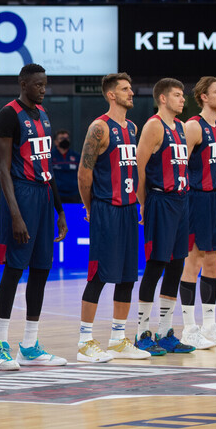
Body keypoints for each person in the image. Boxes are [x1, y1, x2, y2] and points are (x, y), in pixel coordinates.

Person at [0, 64, 69, 370]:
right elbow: (2, 168)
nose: (43, 89)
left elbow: (45, 164)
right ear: (24, 84)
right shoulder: (8, 115)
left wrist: (60, 210)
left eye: (45, 85)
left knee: (41, 270)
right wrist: (16, 215)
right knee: (14, 269)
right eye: (38, 85)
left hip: (44, 196)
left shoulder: (44, 115)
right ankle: (0, 344)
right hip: (21, 195)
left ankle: (30, 344)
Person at [75, 73, 138, 363]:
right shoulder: (99, 128)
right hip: (106, 209)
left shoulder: (134, 128)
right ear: (111, 95)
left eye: (130, 88)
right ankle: (85, 341)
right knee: (100, 274)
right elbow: (84, 174)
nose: (131, 93)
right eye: (125, 89)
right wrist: (91, 207)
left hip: (129, 210)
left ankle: (117, 338)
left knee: (127, 276)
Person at [131, 78, 192, 358]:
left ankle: (165, 332)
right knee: (156, 265)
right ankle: (142, 332)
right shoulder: (154, 125)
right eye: (178, 95)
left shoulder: (180, 126)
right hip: (160, 200)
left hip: (181, 202)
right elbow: (138, 168)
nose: (183, 99)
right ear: (163, 99)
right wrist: (144, 204)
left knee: (177, 266)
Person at [178, 76, 216, 350]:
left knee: (213, 261)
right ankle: (189, 328)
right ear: (203, 96)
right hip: (197, 198)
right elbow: (181, 165)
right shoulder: (193, 126)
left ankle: (210, 326)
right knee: (194, 260)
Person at [50, 128, 81, 204]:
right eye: (62, 138)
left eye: (67, 138)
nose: (65, 140)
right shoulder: (50, 157)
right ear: (56, 142)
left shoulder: (77, 157)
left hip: (74, 195)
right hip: (56, 195)